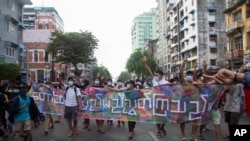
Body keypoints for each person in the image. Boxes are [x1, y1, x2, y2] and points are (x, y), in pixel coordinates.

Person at [143, 56, 168, 138]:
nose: (155, 76)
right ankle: (158, 131)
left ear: (161, 75)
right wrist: (145, 63)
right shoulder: (154, 80)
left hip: (164, 103)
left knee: (164, 118)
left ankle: (162, 128)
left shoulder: (166, 82)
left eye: (157, 75)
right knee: (157, 118)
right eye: (155, 75)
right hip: (156, 102)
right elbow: (149, 71)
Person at [178, 60, 201, 141]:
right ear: (186, 75)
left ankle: (192, 137)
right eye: (188, 74)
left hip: (194, 104)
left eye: (191, 74)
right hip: (184, 104)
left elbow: (205, 86)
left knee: (196, 120)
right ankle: (183, 135)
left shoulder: (196, 83)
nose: (189, 75)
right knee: (182, 121)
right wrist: (182, 65)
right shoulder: (184, 82)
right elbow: (180, 74)